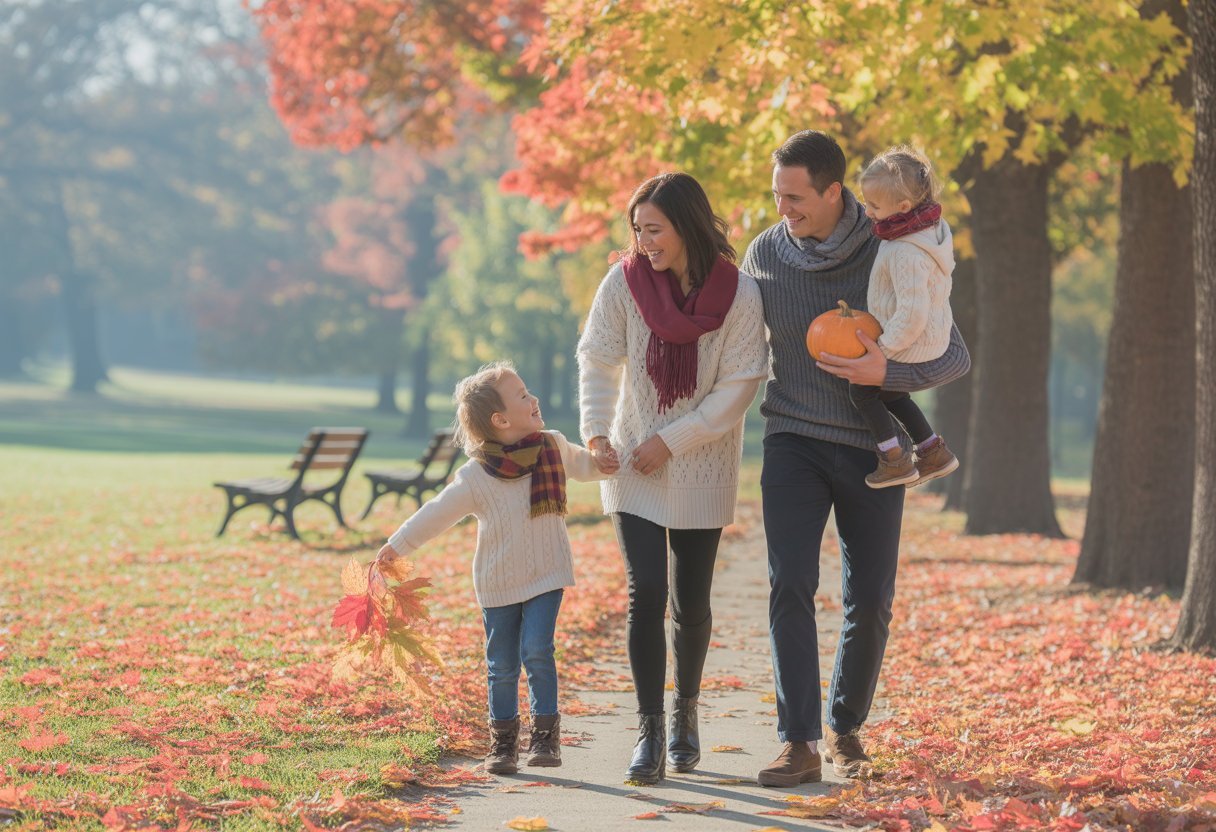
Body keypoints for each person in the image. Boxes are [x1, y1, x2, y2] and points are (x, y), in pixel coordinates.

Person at [741, 131, 970, 787]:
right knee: (789, 584)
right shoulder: (766, 254)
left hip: (877, 448)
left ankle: (845, 725)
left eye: (796, 196)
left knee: (869, 597)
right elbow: (731, 339)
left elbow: (953, 354)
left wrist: (885, 365)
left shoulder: (891, 245)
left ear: (834, 191)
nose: (784, 209)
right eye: (777, 195)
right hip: (790, 439)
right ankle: (799, 742)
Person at [577, 172, 769, 784]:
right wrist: (598, 431)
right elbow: (598, 358)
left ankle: (687, 712)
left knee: (692, 603)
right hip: (634, 462)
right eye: (637, 230)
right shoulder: (625, 282)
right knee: (645, 598)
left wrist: (675, 440)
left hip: (701, 464)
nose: (644, 242)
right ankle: (650, 730)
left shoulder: (738, 295)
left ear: (686, 225)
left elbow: (738, 389)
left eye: (653, 230)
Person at [376, 362, 611, 776]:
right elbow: (436, 513)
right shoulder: (476, 475)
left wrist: (610, 458)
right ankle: (503, 744)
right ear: (500, 420)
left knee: (538, 651)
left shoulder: (553, 447)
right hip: (498, 582)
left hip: (547, 573)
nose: (533, 398)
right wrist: (397, 545)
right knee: (502, 665)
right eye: (522, 395)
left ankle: (544, 738)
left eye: (527, 390)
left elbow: (589, 466)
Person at [849, 145, 960, 488]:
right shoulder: (927, 232)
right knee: (892, 395)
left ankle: (894, 459)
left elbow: (912, 313)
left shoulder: (904, 250)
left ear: (903, 207)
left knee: (863, 391)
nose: (867, 212)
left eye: (874, 206)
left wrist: (882, 350)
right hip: (930, 335)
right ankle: (933, 451)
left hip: (912, 337)